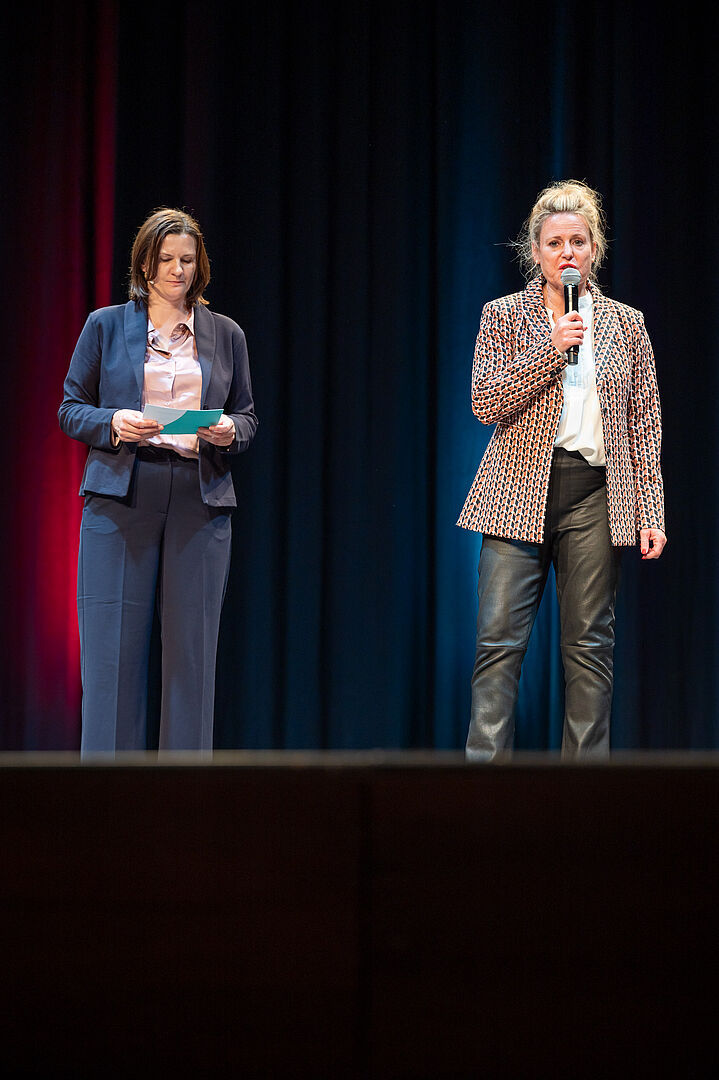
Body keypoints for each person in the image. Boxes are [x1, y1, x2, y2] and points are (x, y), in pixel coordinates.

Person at [457, 180, 665, 758]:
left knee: (590, 648)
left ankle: (584, 793)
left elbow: (643, 423)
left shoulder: (627, 324)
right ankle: (483, 787)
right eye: (554, 243)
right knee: (498, 646)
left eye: (578, 241)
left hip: (595, 493)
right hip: (517, 491)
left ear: (594, 248)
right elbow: (485, 402)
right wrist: (551, 349)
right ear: (536, 252)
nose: (567, 253)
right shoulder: (503, 316)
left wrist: (650, 511)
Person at [59, 208, 258, 752]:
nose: (177, 270)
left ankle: (184, 794)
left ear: (200, 266)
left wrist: (227, 431)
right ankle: (107, 793)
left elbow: (247, 419)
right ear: (145, 264)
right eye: (166, 259)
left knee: (192, 658)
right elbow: (70, 408)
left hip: (199, 498)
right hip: (122, 494)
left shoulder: (226, 334)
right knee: (112, 658)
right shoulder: (105, 325)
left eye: (187, 260)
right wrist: (113, 422)